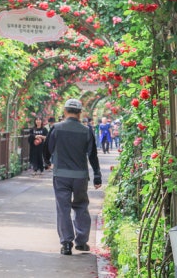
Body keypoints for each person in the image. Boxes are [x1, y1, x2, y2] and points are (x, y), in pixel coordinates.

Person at [44, 98, 102, 256]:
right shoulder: (86, 131)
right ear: (80, 113)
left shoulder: (56, 128)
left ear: (64, 111)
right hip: (80, 177)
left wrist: (47, 163)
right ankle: (82, 242)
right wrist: (97, 175)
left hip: (61, 175)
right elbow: (93, 155)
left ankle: (66, 243)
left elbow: (47, 148)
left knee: (63, 208)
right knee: (81, 206)